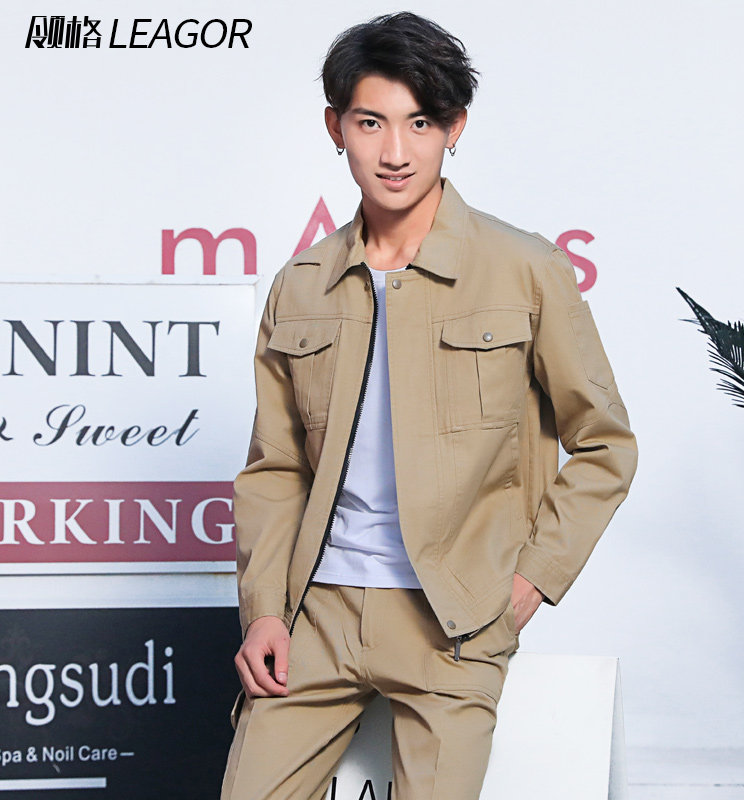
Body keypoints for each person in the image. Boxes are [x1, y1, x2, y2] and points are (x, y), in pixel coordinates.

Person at [220, 11, 638, 800]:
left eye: (419, 123)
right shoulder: (300, 285)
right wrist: (266, 612)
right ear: (335, 128)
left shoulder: (525, 268)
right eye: (370, 122)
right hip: (317, 618)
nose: (395, 151)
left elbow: (606, 443)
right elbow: (276, 470)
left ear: (454, 129)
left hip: (453, 621)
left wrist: (529, 582)